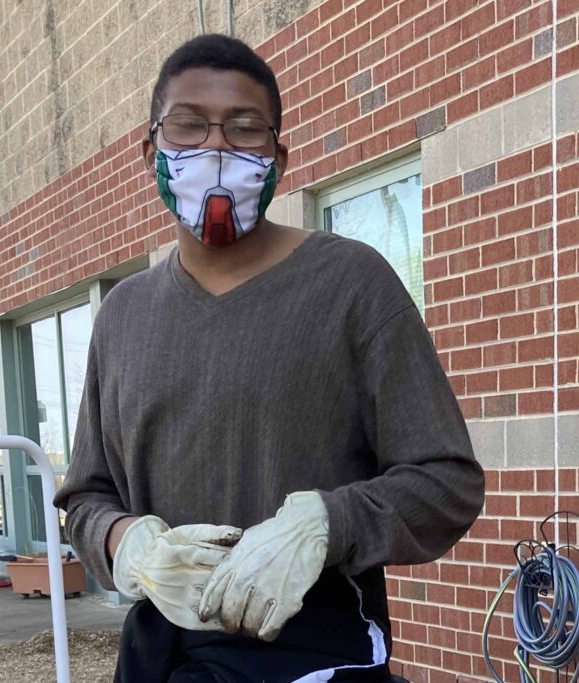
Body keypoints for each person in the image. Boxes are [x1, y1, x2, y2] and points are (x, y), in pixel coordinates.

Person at [53, 33, 485, 683]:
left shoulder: (351, 284)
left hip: (319, 654)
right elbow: (86, 497)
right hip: (162, 658)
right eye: (189, 126)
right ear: (151, 150)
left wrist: (326, 522)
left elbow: (446, 483)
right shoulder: (123, 315)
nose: (216, 149)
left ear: (278, 155)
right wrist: (128, 543)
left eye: (244, 128)